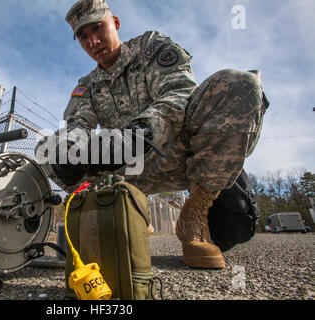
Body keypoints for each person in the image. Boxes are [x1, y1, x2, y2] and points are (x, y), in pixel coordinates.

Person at [36, 0, 269, 269]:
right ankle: (124, 212)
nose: (93, 41)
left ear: (116, 23)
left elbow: (179, 93)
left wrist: (139, 134)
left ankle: (195, 212)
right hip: (125, 171)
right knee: (50, 148)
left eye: (98, 29)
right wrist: (73, 153)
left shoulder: (149, 48)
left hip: (181, 156)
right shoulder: (87, 86)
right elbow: (78, 126)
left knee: (241, 83)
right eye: (83, 37)